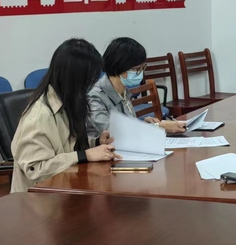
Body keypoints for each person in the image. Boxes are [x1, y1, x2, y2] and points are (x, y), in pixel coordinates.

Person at [11, 39, 121, 193]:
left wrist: (96, 142)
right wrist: (84, 155)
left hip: (63, 190)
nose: (90, 86)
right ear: (75, 80)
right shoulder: (39, 116)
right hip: (37, 201)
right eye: (88, 80)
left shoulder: (67, 102)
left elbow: (66, 147)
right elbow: (35, 169)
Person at [87, 37, 186, 137]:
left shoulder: (122, 90)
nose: (140, 73)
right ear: (119, 67)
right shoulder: (95, 96)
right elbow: (113, 133)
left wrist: (143, 123)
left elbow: (127, 125)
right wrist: (157, 127)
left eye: (143, 68)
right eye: (137, 69)